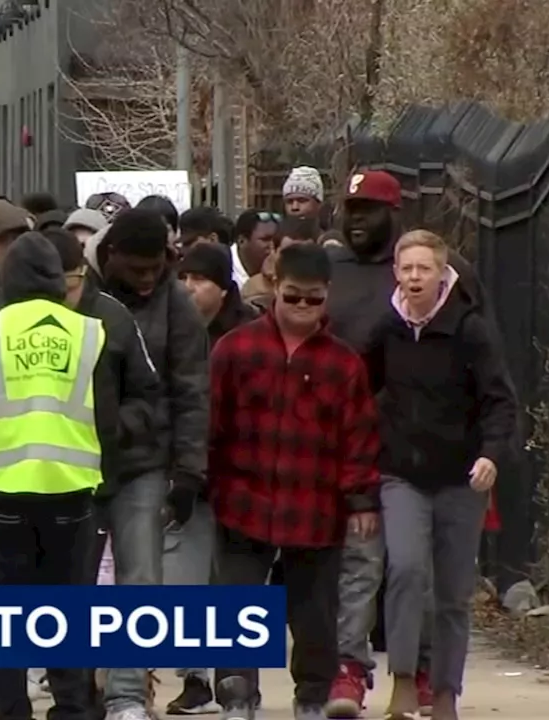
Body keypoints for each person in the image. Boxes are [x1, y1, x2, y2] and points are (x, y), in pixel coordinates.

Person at [323, 170, 490, 718]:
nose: (357, 220)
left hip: (446, 458)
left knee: (435, 583)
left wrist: (489, 447)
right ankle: (357, 670)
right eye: (350, 209)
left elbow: (488, 380)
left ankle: (431, 680)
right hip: (368, 455)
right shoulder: (337, 275)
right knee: (378, 568)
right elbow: (349, 373)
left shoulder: (457, 299)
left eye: (369, 209)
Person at [0, 232, 111, 720]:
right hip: (72, 487)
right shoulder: (88, 330)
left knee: (4, 613)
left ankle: (11, 709)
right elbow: (118, 402)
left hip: (0, 488)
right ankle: (73, 708)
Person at [209, 242, 382, 720]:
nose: (303, 308)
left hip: (316, 500)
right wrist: (201, 480)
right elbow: (211, 421)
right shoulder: (236, 349)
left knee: (315, 611)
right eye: (292, 297)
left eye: (313, 299)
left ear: (327, 295)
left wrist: (362, 497)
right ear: (273, 290)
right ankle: (237, 694)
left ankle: (311, 696)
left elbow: (359, 435)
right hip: (242, 495)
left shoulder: (343, 364)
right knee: (238, 601)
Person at [365, 231, 517, 720]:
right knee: (406, 570)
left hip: (461, 477)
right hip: (402, 475)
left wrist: (492, 454)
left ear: (442, 273)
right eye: (406, 269)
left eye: (423, 269)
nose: (414, 278)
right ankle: (404, 679)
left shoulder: (470, 330)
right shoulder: (385, 329)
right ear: (396, 273)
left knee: (452, 592)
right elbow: (357, 391)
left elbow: (500, 400)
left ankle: (446, 690)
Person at [82, 208, 209, 720]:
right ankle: (79, 688)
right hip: (79, 461)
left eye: (155, 267)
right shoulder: (81, 294)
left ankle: (128, 695)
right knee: (78, 582)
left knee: (140, 581)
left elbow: (191, 390)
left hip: (145, 463)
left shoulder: (175, 304)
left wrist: (189, 471)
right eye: (136, 269)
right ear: (111, 256)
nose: (147, 278)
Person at [165, 241, 259, 715]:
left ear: (224, 288)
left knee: (233, 581)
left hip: (238, 475)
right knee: (187, 580)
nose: (188, 288)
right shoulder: (174, 331)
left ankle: (239, 681)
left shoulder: (244, 336)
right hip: (193, 477)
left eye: (199, 279)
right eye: (183, 278)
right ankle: (197, 679)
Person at [243, 216, 320, 311]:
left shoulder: (326, 289)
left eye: (305, 255)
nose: (297, 261)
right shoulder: (255, 292)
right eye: (289, 254)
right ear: (273, 250)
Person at [230, 210, 279, 289]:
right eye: (265, 239)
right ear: (241, 241)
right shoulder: (220, 269)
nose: (272, 246)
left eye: (276, 240)